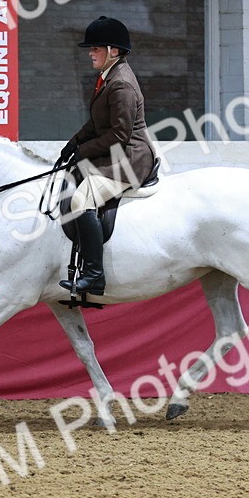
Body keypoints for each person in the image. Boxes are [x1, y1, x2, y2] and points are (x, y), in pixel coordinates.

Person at [57, 16, 157, 295]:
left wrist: (83, 152)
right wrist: (74, 142)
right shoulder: (108, 77)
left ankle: (94, 275)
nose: (90, 52)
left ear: (114, 51)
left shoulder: (121, 83)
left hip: (130, 157)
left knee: (81, 199)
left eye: (96, 48)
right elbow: (98, 122)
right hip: (117, 152)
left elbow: (119, 135)